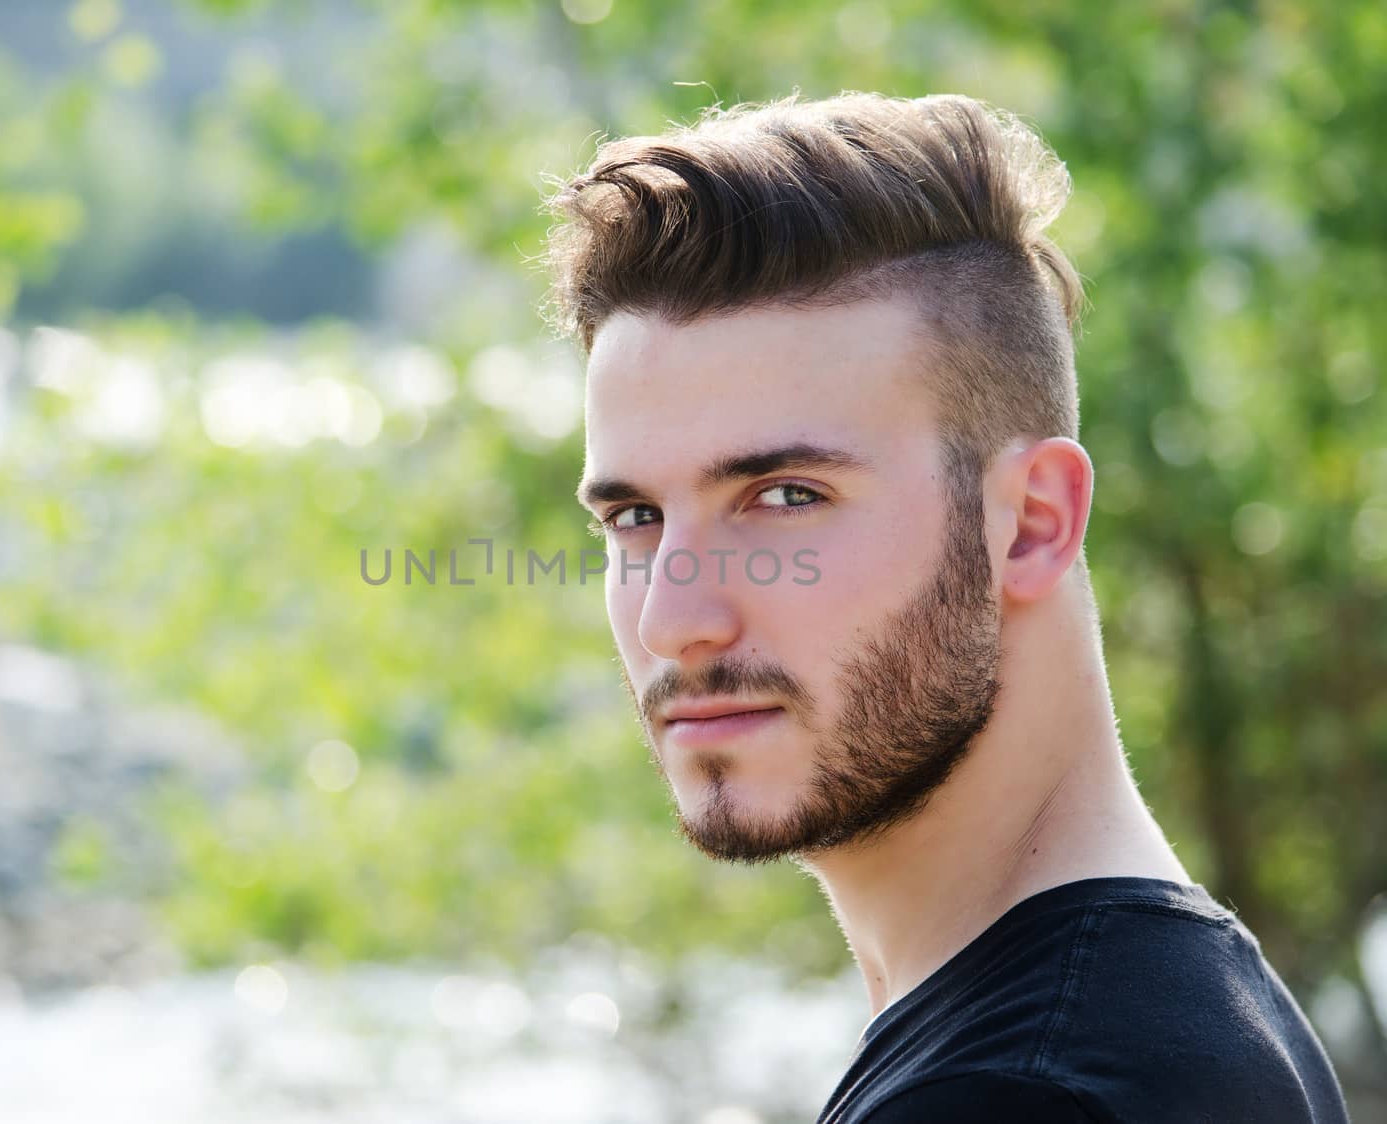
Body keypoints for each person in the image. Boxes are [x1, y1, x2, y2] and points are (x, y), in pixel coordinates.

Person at [542, 91, 1350, 1122]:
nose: (672, 620)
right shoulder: (1183, 1021)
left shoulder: (1029, 1091)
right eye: (637, 517)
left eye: (787, 497)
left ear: (1029, 521)